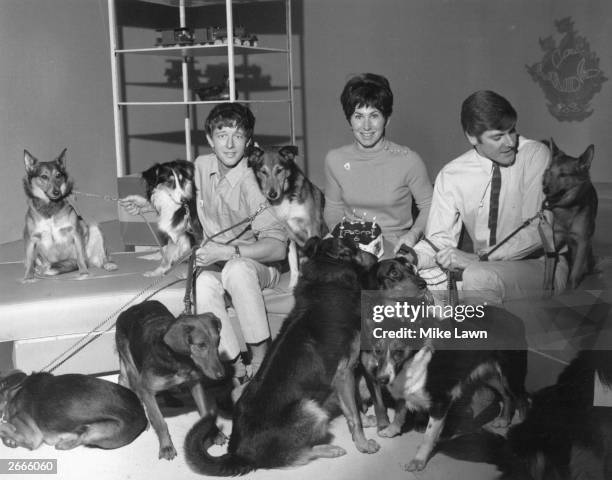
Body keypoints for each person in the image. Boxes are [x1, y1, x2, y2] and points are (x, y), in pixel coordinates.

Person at [411, 90, 568, 303]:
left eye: (511, 131)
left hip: (543, 266)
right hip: (482, 268)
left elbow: (538, 231)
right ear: (472, 137)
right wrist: (410, 257)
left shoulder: (535, 155)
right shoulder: (451, 174)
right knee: (421, 278)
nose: (510, 142)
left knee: (476, 278)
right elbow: (440, 240)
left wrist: (481, 258)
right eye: (497, 137)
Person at [192, 103, 287, 381]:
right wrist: (145, 205)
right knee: (204, 283)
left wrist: (229, 251)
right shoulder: (201, 165)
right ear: (210, 140)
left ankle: (261, 360)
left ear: (249, 141)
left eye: (238, 136)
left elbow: (278, 247)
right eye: (222, 135)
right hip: (216, 261)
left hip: (259, 265)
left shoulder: (253, 179)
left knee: (236, 269)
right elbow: (179, 200)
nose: (230, 144)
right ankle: (233, 367)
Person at [323, 73, 433, 254]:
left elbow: (429, 206)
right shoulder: (335, 159)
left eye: (374, 115)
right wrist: (340, 234)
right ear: (349, 120)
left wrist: (413, 235)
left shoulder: (409, 160)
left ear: (387, 119)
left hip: (394, 244)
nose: (366, 126)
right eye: (358, 116)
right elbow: (333, 209)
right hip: (352, 244)